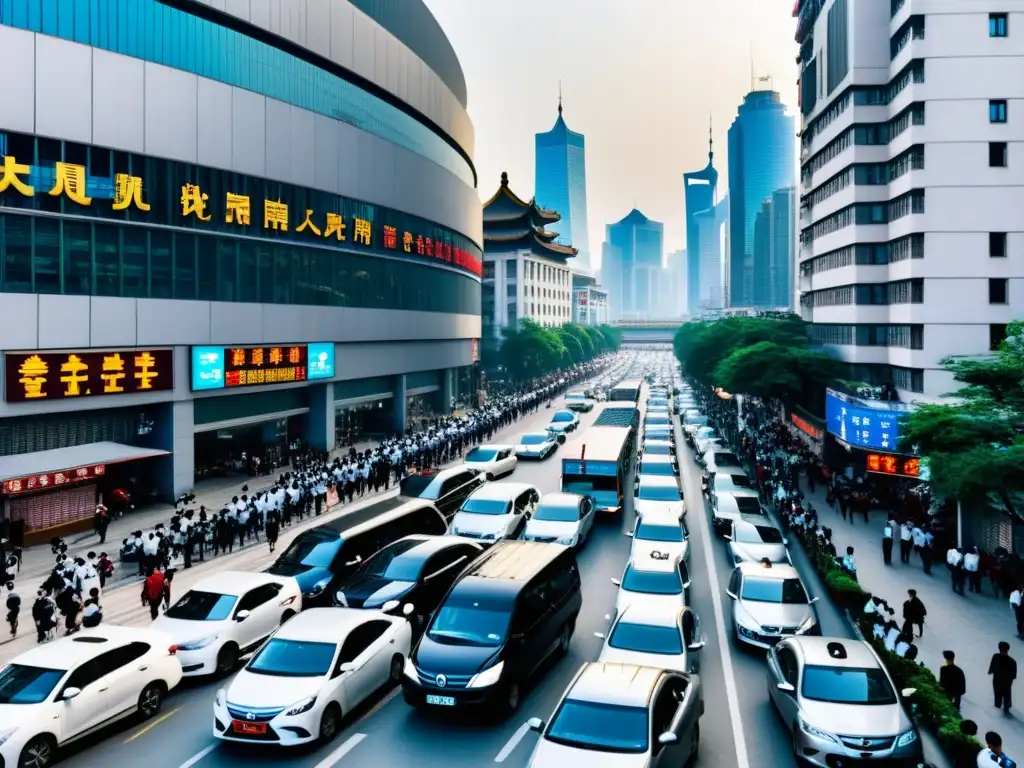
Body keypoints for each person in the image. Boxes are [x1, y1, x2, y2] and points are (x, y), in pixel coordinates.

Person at [989, 641, 1017, 715]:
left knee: (1001, 697)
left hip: (1000, 682)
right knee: (1003, 697)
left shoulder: (996, 657)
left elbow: (991, 669)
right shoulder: (1012, 662)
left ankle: (1003, 711)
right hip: (1004, 682)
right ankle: (1003, 710)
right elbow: (1013, 676)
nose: (1002, 651)